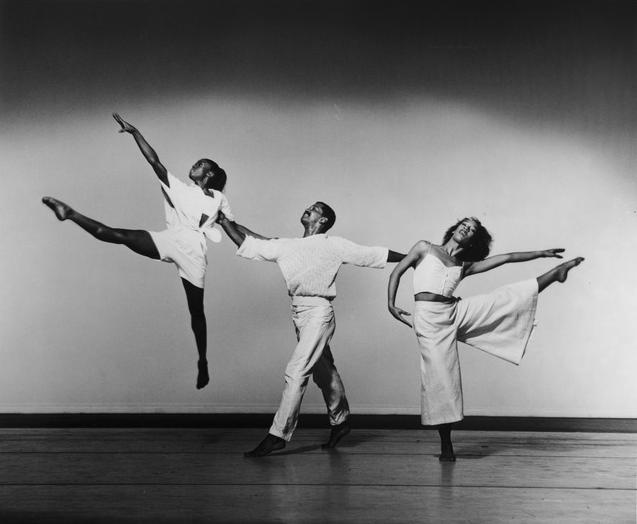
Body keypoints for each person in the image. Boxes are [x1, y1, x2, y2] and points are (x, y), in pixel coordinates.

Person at [42, 113, 234, 390]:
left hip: (194, 252)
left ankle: (202, 361)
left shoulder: (219, 198)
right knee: (116, 235)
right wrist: (136, 133)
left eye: (201, 164)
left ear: (210, 173)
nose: (195, 165)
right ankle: (69, 213)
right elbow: (154, 161)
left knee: (197, 312)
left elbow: (231, 225)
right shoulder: (178, 186)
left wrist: (255, 245)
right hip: (170, 239)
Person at [387, 217, 584, 461]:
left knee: (501, 300)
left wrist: (541, 253)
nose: (465, 229)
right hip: (428, 321)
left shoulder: (464, 264)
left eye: (471, 230)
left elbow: (507, 258)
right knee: (440, 380)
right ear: (455, 227)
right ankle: (446, 444)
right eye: (464, 224)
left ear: (473, 239)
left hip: (453, 312)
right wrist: (391, 304)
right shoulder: (424, 247)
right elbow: (397, 271)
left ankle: (555, 273)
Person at [216, 202, 405, 457]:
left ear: (324, 219)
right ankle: (341, 421)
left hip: (319, 312)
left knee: (296, 371)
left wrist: (411, 258)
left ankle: (278, 435)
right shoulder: (290, 245)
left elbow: (372, 254)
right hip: (299, 313)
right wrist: (224, 220)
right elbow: (252, 241)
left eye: (314, 208)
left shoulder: (332, 244)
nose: (308, 209)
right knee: (323, 370)